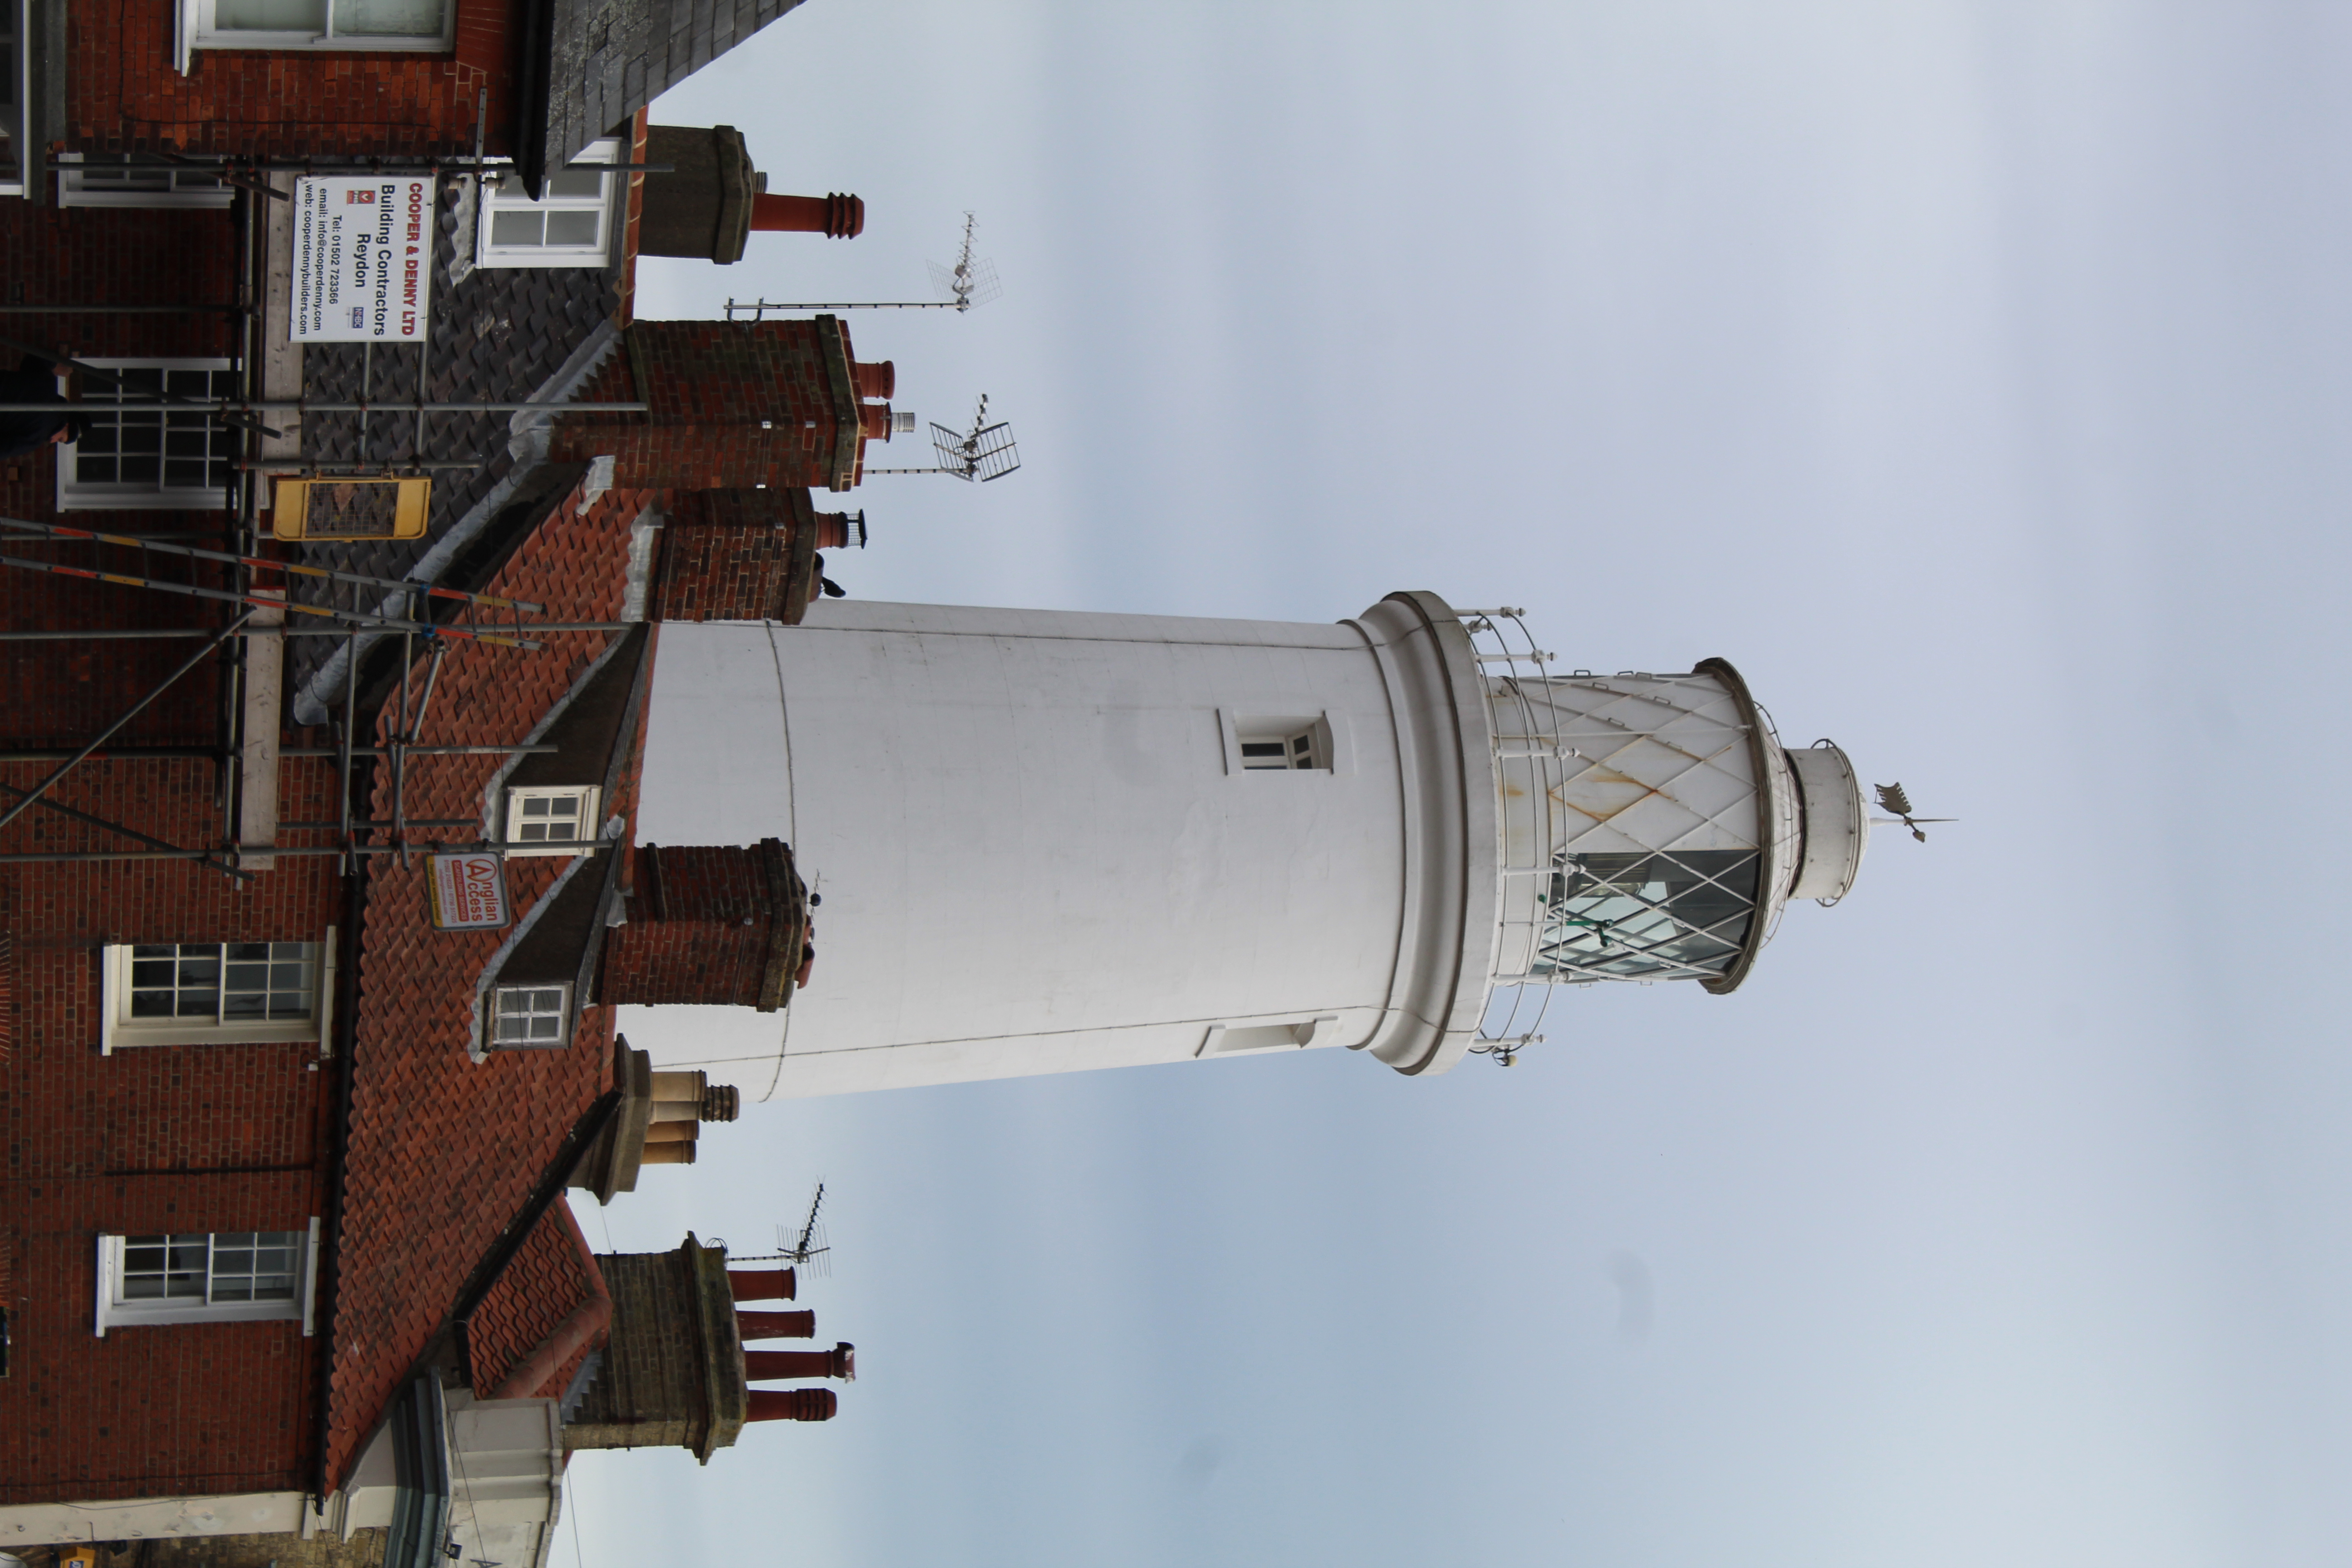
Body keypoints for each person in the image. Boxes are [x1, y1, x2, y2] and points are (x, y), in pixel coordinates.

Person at [0, 352, 89, 458]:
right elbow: (3, 449)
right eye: (60, 438)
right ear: (67, 425)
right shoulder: (36, 438)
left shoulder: (47, 383)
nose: (53, 441)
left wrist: (57, 365)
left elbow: (33, 358)